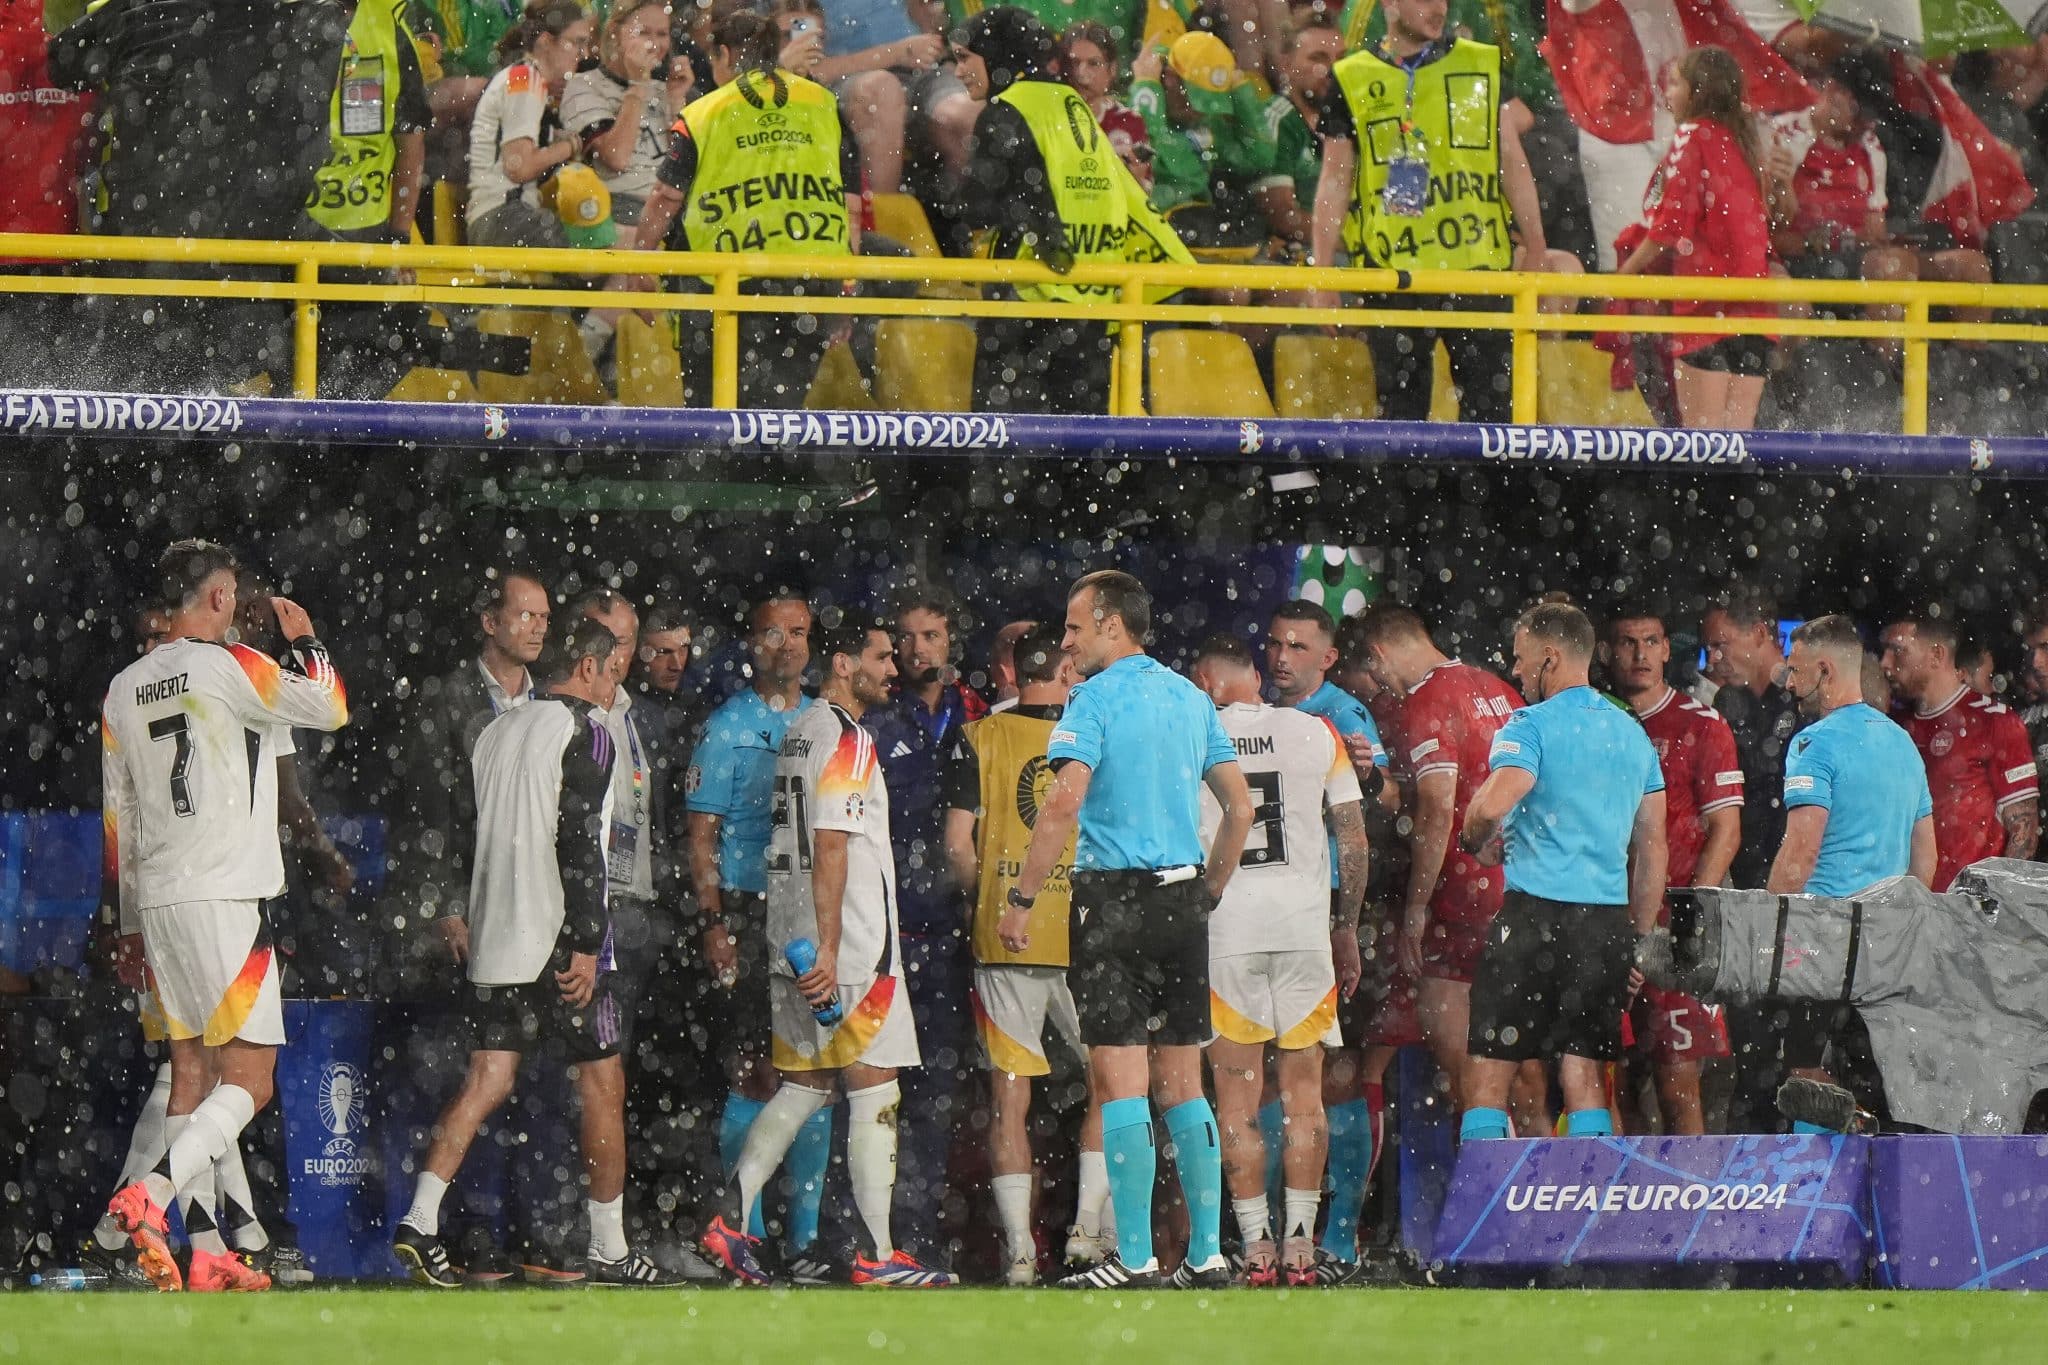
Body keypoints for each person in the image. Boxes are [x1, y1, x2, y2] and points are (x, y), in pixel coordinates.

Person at [392, 617, 684, 1288]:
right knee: (603, 1084)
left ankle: (420, 1217)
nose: (614, 686)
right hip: (558, 943)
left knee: (486, 1082)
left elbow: (469, 836)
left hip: (496, 942)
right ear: (586, 668)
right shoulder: (587, 732)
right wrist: (585, 942)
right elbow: (581, 844)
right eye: (610, 671)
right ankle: (609, 1245)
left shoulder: (494, 731)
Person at [101, 540, 349, 1292]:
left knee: (190, 1074)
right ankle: (153, 1195)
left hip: (162, 902)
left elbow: (122, 821)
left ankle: (206, 1248)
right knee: (251, 1078)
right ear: (214, 599)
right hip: (226, 897)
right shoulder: (229, 664)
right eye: (231, 594)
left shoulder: (122, 689)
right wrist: (305, 639)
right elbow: (332, 706)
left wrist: (130, 925)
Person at [1006, 570, 1256, 1289]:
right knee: (1185, 1083)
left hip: (1113, 902)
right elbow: (1238, 809)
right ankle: (1208, 1255)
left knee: (1121, 1083)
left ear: (1114, 625)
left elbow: (1060, 805)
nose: (1068, 641)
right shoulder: (1189, 696)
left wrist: (1022, 899)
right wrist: (1207, 887)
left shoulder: (1095, 699)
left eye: (1077, 626)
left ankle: (1138, 1258)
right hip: (1182, 902)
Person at [698, 618, 955, 1288]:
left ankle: (730, 1218)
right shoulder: (848, 737)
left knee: (808, 1085)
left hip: (791, 938)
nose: (892, 668)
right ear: (842, 662)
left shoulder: (800, 733)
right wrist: (837, 946)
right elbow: (832, 841)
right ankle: (877, 1251)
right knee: (876, 1089)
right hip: (846, 948)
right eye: (878, 657)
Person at [1190, 636, 1366, 1287]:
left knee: (1235, 1103)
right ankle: (1300, 1247)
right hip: (1302, 936)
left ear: (1208, 682)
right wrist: (1345, 924)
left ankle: (1256, 1245)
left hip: (1228, 932)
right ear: (1256, 677)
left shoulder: (1195, 738)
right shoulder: (1317, 731)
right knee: (1304, 1100)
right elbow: (1352, 833)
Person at [1455, 601, 1666, 1143]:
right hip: (1604, 926)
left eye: (1522, 660)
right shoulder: (1632, 734)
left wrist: (1476, 840)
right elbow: (1653, 850)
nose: (1518, 673)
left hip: (1532, 918)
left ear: (1550, 657)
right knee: (1586, 1073)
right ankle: (1589, 1215)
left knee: (1490, 1069)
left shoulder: (1529, 725)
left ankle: (1489, 1214)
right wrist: (1637, 938)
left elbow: (1493, 803)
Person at [942, 622, 1102, 1284]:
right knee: (1110, 1084)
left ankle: (1017, 1253)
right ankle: (1089, 1234)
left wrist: (992, 900)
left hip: (1004, 936)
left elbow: (957, 846)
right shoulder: (1092, 737)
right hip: (1084, 934)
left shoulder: (979, 738)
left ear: (1014, 670)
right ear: (1064, 673)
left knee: (1011, 1099)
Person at [1306, 0, 1547, 423]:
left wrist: (1539, 250)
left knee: (1493, 426)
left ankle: (1486, 491)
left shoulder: (1481, 64)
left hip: (1477, 271)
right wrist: (1322, 271)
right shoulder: (1352, 76)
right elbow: (1334, 179)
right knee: (1400, 424)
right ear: (1390, 5)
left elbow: (1513, 161)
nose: (1439, 7)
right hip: (1394, 273)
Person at [1346, 601, 1535, 1141]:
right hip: (1517, 893)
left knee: (1471, 1080)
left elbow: (1435, 808)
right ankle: (1554, 1208)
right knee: (1523, 1076)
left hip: (1460, 901)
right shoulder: (1500, 690)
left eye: (1376, 672)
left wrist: (1416, 907)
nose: (1382, 687)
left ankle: (1495, 1211)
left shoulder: (1426, 699)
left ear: (1380, 654)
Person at [684, 593, 829, 1271]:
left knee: (815, 1068)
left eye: (798, 632)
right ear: (753, 641)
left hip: (806, 913)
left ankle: (804, 1240)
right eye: (774, 632)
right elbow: (701, 836)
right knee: (753, 1069)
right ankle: (739, 1228)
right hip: (746, 910)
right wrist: (714, 922)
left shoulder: (826, 722)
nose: (787, 644)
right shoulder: (727, 726)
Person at [625, 9, 863, 408]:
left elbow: (666, 196)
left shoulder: (704, 113)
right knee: (779, 415)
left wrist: (640, 263)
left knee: (715, 417)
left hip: (723, 285)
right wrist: (848, 286)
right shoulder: (822, 102)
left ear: (722, 54)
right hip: (810, 280)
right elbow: (850, 206)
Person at [863, 589, 989, 1272]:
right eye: (907, 638)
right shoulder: (877, 723)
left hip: (953, 931)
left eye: (931, 634)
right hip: (889, 930)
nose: (919, 650)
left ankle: (921, 1236)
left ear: (950, 640)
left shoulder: (979, 719)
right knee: (875, 1090)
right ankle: (870, 1239)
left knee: (938, 1094)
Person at [1766, 614, 1936, 1112]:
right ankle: (1879, 1187)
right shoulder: (1903, 744)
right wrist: (1898, 924)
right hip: (1885, 948)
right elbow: (1926, 855)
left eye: (1796, 672)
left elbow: (1800, 852)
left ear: (1825, 669)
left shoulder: (1813, 743)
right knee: (1873, 1080)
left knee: (1807, 1075)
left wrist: (1766, 925)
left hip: (1821, 940)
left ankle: (1815, 1185)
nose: (1791, 685)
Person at [955, 6, 1144, 414]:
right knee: (1080, 458)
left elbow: (980, 207)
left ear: (994, 52)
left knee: (1006, 449)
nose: (958, 72)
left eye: (964, 58)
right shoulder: (1074, 105)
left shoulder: (1008, 109)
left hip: (1028, 302)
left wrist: (949, 201)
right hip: (1093, 301)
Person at [1606, 605, 1743, 1135]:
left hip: (1673, 932)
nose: (1640, 654)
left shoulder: (1701, 725)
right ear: (1606, 651)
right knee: (1604, 1085)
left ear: (1667, 649)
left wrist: (1689, 918)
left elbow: (1726, 831)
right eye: (1627, 642)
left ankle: (1697, 1214)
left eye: (1651, 641)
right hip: (1604, 924)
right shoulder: (1597, 719)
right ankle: (1634, 1204)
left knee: (1678, 1086)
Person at [1614, 47, 1776, 432]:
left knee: (1702, 452)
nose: (1666, 93)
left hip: (1707, 310)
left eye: (1674, 83)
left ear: (1696, 91)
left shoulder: (1693, 136)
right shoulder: (1744, 143)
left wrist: (1621, 280)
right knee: (1737, 447)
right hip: (1754, 314)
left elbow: (1671, 227)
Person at [1879, 612, 2038, 890]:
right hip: (1905, 909)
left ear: (1936, 655)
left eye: (1898, 651)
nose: (1885, 663)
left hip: (1966, 915)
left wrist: (1995, 905)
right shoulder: (1893, 725)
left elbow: (2023, 830)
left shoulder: (1996, 722)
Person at [464, 1, 598, 248]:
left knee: (597, 249)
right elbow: (520, 167)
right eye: (577, 43)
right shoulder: (524, 79)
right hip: (501, 218)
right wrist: (572, 145)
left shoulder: (527, 79)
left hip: (507, 218)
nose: (585, 54)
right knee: (593, 257)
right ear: (546, 42)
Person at [1129, 30, 1280, 248]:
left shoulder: (1207, 123)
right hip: (1146, 235)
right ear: (1170, 77)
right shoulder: (1134, 101)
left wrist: (1241, 91)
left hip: (1196, 234)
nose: (1199, 112)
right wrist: (1146, 90)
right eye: (1194, 99)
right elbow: (1147, 157)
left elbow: (1259, 156)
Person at [305, 0, 431, 244]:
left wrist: (399, 238)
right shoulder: (283, 20)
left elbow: (411, 145)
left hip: (367, 237)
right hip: (284, 234)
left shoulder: (389, 27)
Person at [562, 0, 681, 227]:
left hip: (672, 206)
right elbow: (617, 157)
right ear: (615, 33)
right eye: (643, 32)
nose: (654, 44)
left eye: (662, 34)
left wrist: (675, 100)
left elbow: (681, 165)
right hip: (621, 207)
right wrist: (637, 86)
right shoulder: (583, 86)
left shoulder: (664, 88)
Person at [1058, 20, 1153, 191]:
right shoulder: (1051, 120)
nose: (1082, 74)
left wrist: (1135, 180)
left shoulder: (1128, 122)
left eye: (1093, 63)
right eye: (1074, 63)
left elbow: (1145, 195)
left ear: (1112, 69)